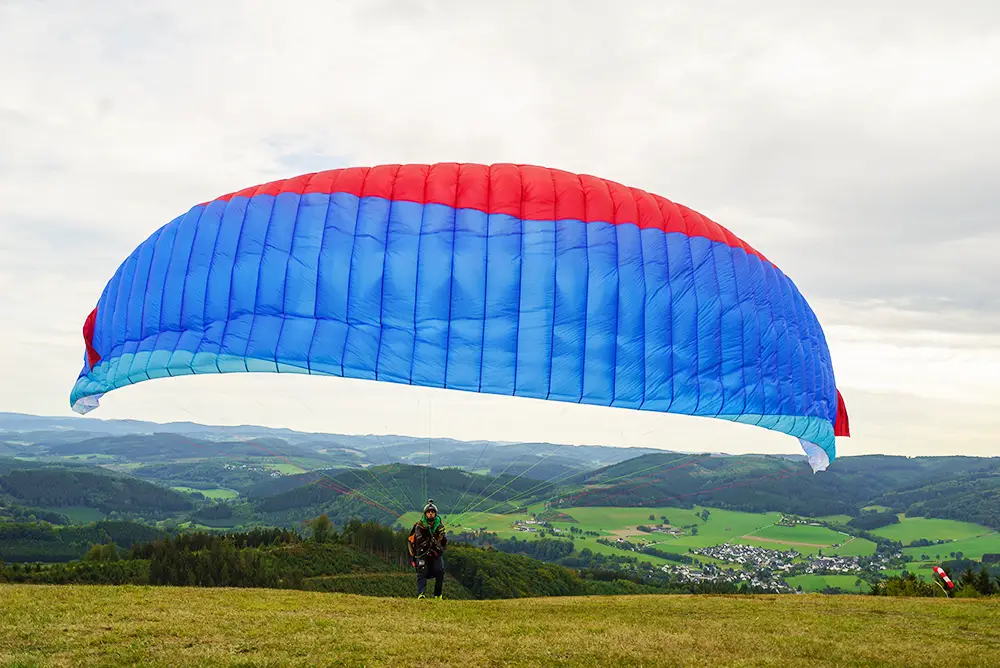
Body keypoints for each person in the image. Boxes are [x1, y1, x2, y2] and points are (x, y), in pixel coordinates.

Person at [408, 499, 447, 599]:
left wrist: (442, 537)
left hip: (435, 553)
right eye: (429, 512)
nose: (430, 514)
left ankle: (438, 595)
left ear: (435, 514)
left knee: (440, 570)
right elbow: (418, 540)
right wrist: (430, 542)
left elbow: (444, 543)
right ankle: (421, 594)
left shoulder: (439, 526)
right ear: (425, 514)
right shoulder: (419, 526)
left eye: (432, 512)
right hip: (422, 553)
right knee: (422, 570)